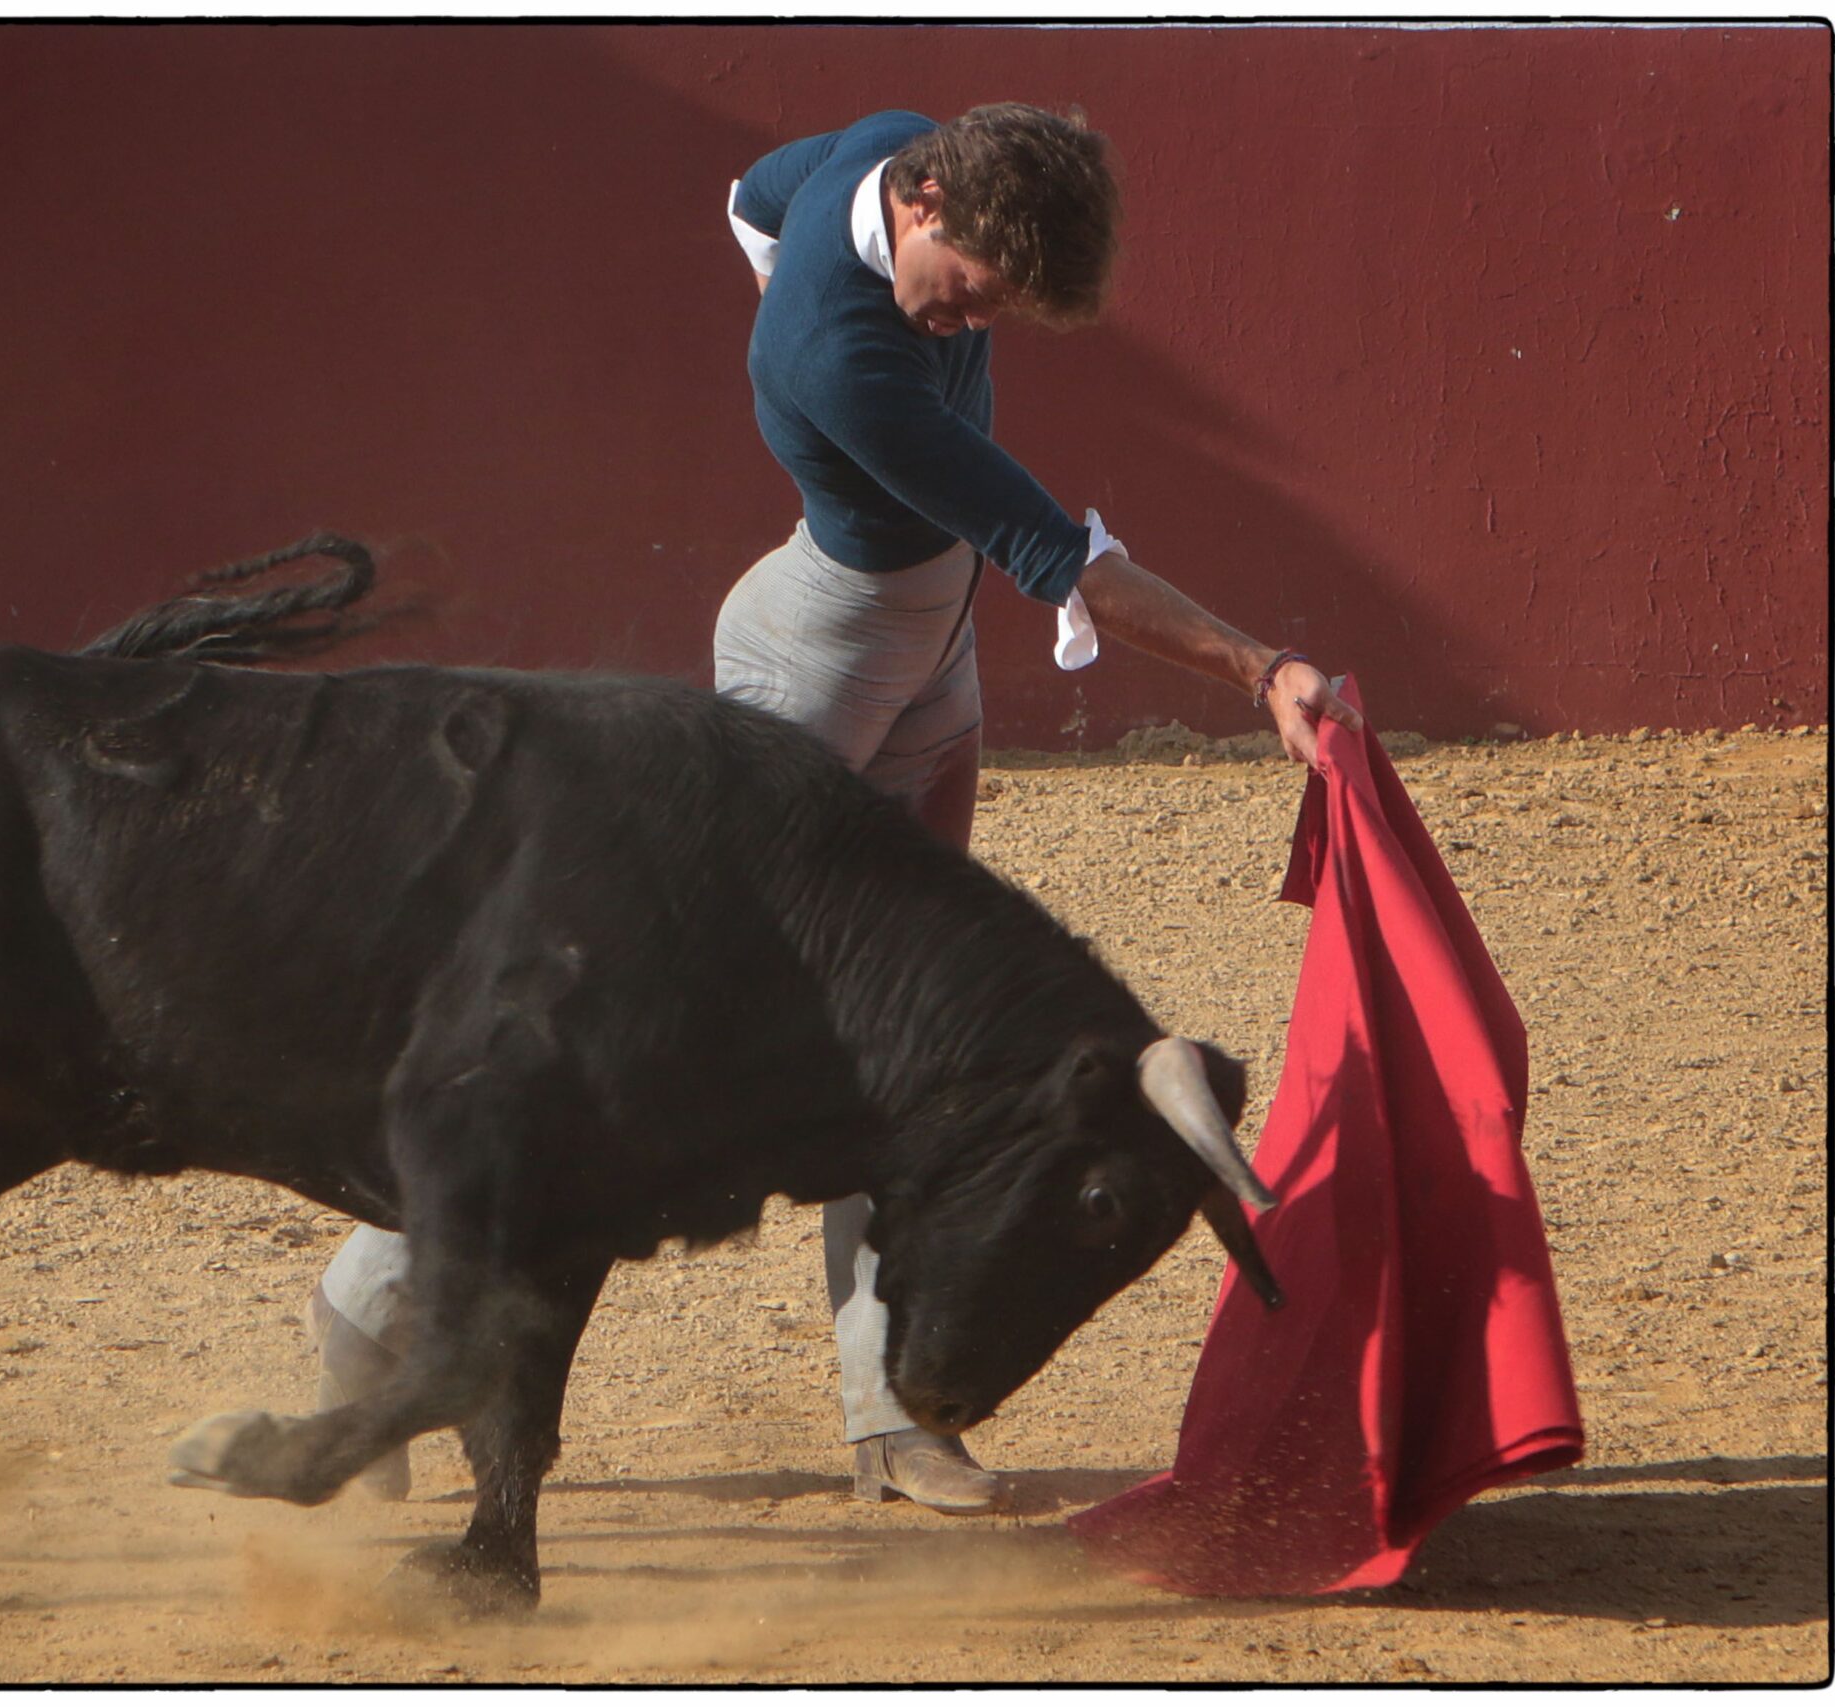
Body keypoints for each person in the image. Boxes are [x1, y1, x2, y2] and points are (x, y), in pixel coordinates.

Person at [302, 101, 1362, 1514]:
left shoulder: (895, 148)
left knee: (920, 1043)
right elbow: (1062, 556)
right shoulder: (841, 356)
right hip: (817, 667)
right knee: (630, 1039)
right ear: (925, 211)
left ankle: (889, 1410)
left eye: (994, 314)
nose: (964, 327)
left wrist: (803, 292)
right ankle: (370, 1304)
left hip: (925, 660)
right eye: (969, 295)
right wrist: (1260, 665)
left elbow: (752, 196)